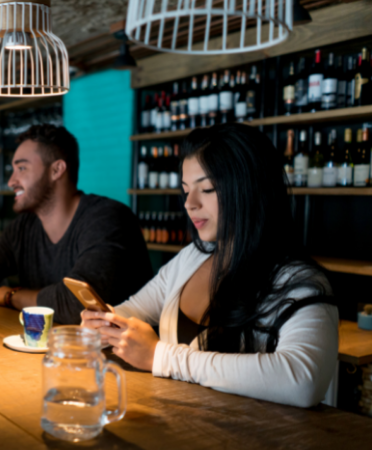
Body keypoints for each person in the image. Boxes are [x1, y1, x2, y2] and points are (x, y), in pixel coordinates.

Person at [82, 123, 338, 408]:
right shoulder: (191, 257)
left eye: (207, 188)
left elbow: (303, 382)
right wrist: (104, 323)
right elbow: (132, 310)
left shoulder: (299, 283)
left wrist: (160, 357)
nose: (189, 203)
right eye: (186, 190)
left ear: (249, 189)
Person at [0, 125, 153, 324]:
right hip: (54, 350)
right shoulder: (24, 227)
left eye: (21, 168)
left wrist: (11, 296)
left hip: (120, 360)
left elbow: (78, 305)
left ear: (57, 170)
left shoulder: (107, 219)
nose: (11, 181)